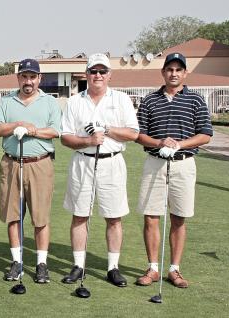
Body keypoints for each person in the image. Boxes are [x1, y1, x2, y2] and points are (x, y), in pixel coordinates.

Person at [60, 53, 139, 287]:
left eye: (102, 71)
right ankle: (78, 265)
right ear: (86, 74)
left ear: (109, 75)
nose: (98, 75)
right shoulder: (74, 101)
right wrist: (88, 141)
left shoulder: (122, 99)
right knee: (80, 214)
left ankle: (113, 267)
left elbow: (133, 134)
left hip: (112, 162)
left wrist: (107, 129)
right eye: (93, 71)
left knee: (113, 217)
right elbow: (65, 137)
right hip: (82, 161)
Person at [135, 53, 212, 288]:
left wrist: (178, 144)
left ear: (185, 73)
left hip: (184, 163)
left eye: (179, 69)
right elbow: (139, 135)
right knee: (151, 217)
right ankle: (153, 268)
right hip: (155, 163)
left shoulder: (196, 100)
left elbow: (205, 134)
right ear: (163, 72)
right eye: (170, 69)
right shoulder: (149, 100)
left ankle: (174, 270)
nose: (174, 73)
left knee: (179, 217)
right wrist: (159, 142)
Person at [0, 58, 61, 284]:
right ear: (18, 78)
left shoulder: (50, 102)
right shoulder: (6, 102)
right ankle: (17, 262)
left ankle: (41, 264)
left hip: (40, 163)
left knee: (40, 217)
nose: (28, 81)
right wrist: (17, 125)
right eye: (24, 76)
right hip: (11, 163)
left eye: (32, 77)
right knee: (13, 215)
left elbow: (54, 131)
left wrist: (32, 131)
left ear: (39, 78)